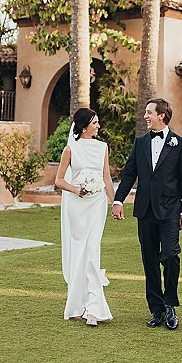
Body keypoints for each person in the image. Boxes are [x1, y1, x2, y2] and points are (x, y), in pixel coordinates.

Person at [112, 98, 182, 330]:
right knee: (149, 260)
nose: (145, 116)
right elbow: (129, 174)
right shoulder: (140, 143)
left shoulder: (180, 144)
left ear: (161, 115)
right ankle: (156, 309)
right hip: (145, 211)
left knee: (170, 255)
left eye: (149, 112)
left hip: (170, 211)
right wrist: (118, 200)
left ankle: (170, 305)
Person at [55, 107, 114, 326]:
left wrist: (115, 203)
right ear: (83, 126)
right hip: (77, 205)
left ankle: (94, 309)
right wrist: (75, 189)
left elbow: (106, 177)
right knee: (80, 251)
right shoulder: (70, 149)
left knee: (91, 250)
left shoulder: (102, 147)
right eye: (95, 122)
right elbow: (59, 180)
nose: (98, 126)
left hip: (97, 204)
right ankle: (77, 305)